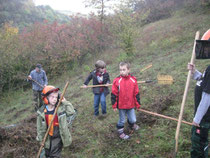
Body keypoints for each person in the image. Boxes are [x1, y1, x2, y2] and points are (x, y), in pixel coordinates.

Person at [36, 85, 76, 158]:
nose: (54, 99)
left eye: (56, 97)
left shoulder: (60, 108)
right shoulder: (41, 112)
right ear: (45, 98)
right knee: (47, 153)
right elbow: (39, 127)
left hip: (58, 136)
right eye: (52, 97)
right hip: (47, 137)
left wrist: (65, 102)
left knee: (55, 155)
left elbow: (71, 112)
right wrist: (40, 139)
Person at [111, 62, 141, 140]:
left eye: (124, 70)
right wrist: (114, 105)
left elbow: (136, 93)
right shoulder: (117, 81)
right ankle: (120, 132)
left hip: (130, 105)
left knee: (133, 119)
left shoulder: (133, 80)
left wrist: (137, 104)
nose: (122, 72)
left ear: (128, 70)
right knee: (122, 120)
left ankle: (131, 125)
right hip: (121, 106)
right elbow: (114, 93)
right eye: (120, 70)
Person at [188, 63, 210, 158]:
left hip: (203, 118)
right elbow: (204, 81)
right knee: (198, 143)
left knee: (199, 145)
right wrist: (194, 72)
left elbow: (208, 97)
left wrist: (197, 119)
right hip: (202, 116)